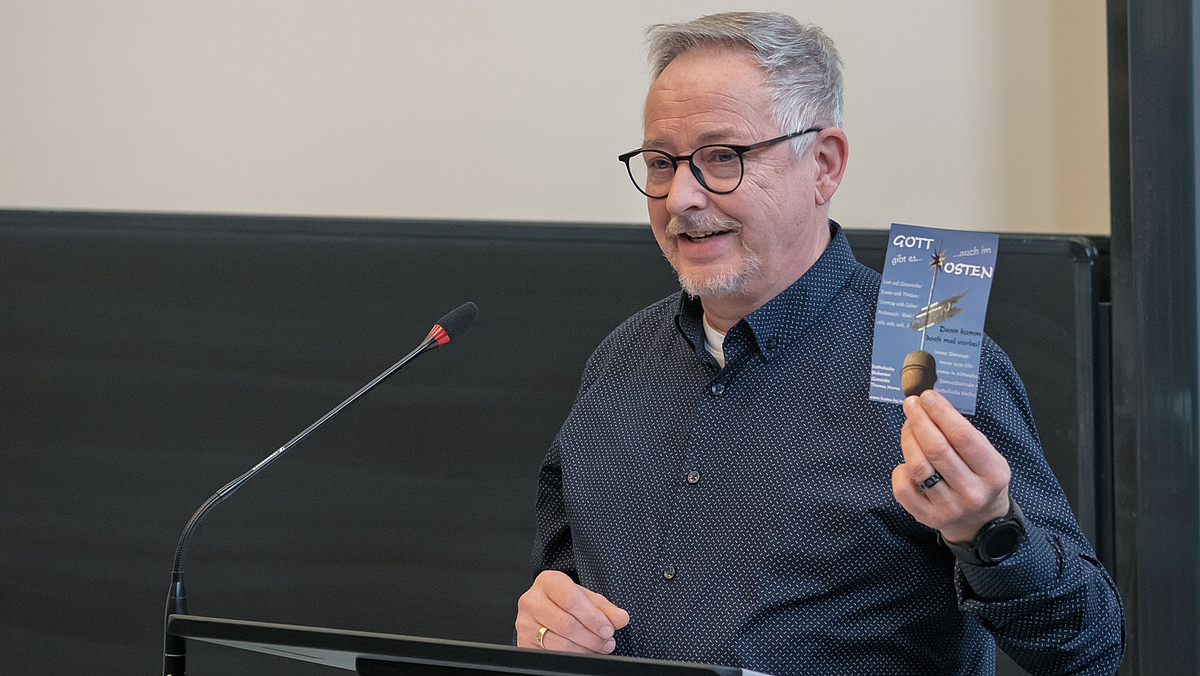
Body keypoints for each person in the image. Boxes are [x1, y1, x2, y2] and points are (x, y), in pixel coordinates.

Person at [514, 11, 1124, 676]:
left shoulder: (927, 357)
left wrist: (988, 533)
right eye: (661, 163)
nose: (681, 197)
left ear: (824, 165)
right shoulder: (619, 362)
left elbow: (1088, 648)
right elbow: (564, 581)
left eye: (723, 157)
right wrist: (551, 627)